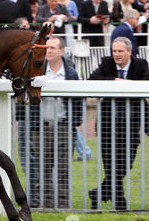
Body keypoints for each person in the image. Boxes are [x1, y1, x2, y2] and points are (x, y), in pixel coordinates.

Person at [88, 37, 149, 210]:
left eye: (120, 51)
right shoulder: (106, 63)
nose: (116, 54)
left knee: (125, 164)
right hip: (108, 124)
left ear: (130, 51)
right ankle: (120, 203)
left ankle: (98, 193)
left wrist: (124, 84)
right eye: (114, 51)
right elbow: (93, 79)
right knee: (110, 164)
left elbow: (146, 82)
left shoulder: (141, 65)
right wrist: (114, 82)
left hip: (131, 125)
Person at [29, 36, 83, 209]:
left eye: (53, 47)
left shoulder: (71, 74)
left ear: (62, 51)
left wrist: (74, 122)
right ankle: (43, 204)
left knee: (63, 168)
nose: (49, 50)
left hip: (63, 127)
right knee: (41, 168)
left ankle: (63, 203)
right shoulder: (36, 71)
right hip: (41, 126)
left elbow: (77, 101)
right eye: (47, 47)